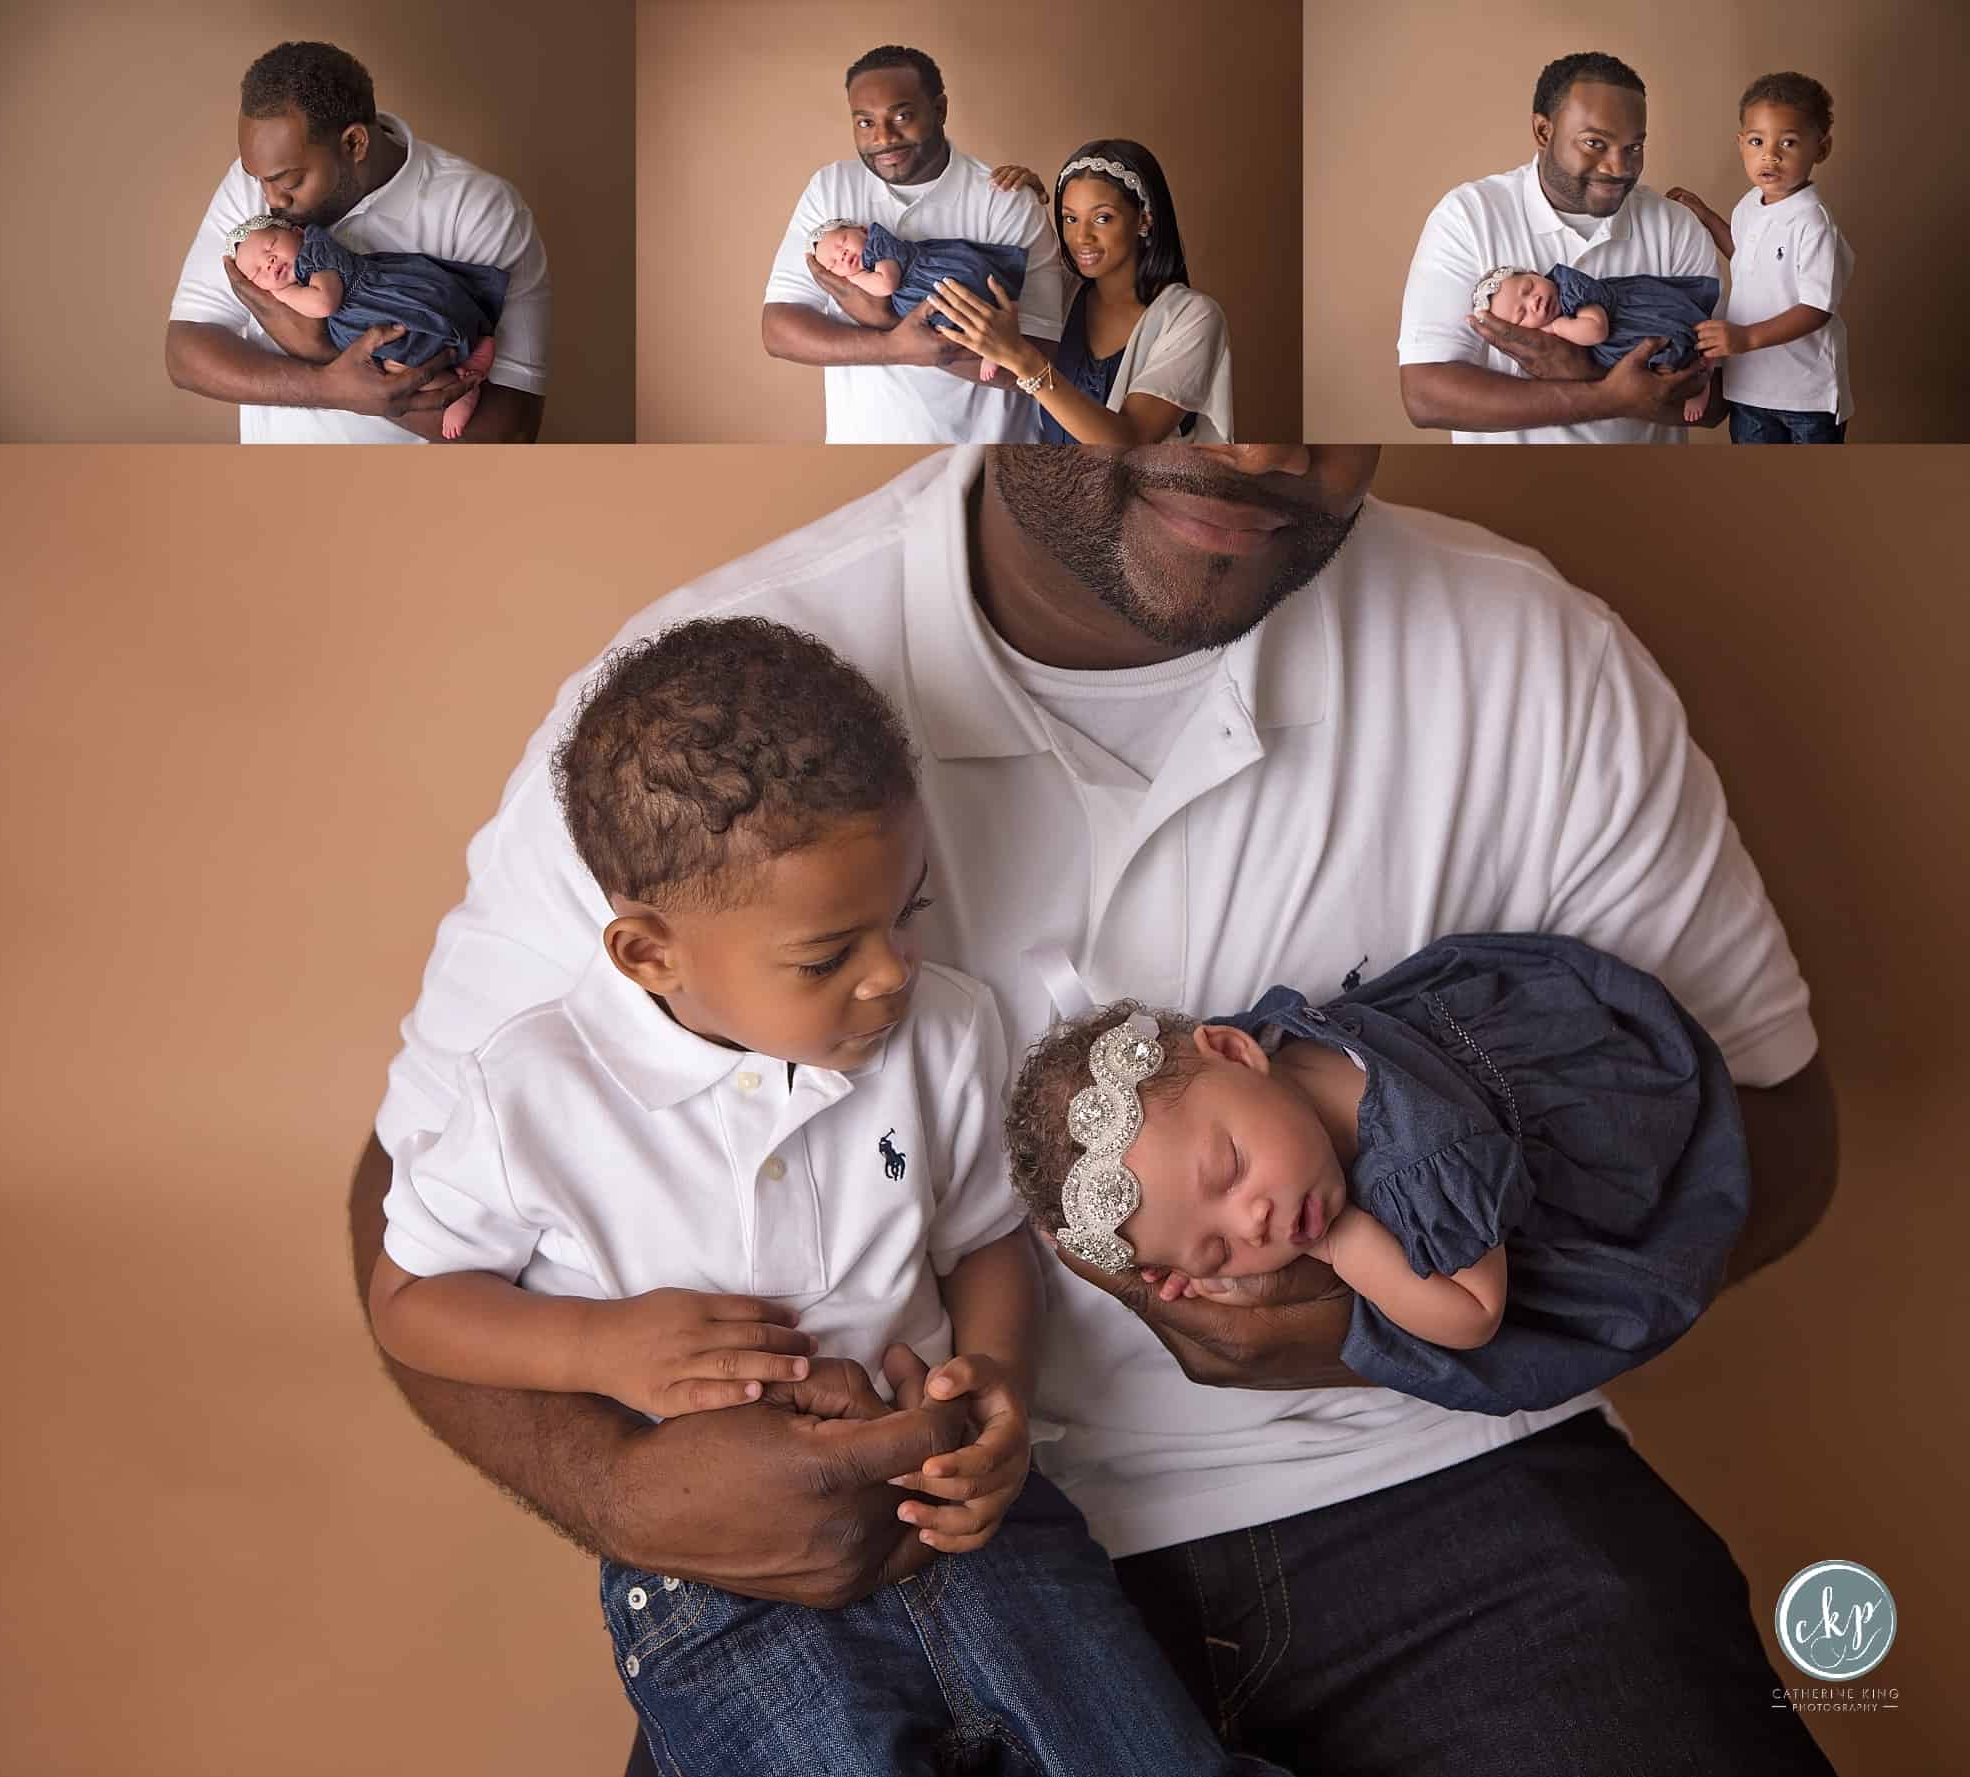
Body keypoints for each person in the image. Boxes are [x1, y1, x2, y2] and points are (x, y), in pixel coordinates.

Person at [351, 444, 1838, 1775]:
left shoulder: (1519, 654)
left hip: (1441, 1483)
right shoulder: (685, 731)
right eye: (1176, 382)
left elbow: (1781, 1138)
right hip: (872, 1546)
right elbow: (414, 1214)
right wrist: (618, 1486)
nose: (1253, 443)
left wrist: (1408, 1309)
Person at [369, 616, 1284, 1776]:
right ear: (649, 955)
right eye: (825, 956)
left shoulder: (942, 1029)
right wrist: (599, 1346)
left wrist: (995, 1382)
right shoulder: (531, 1097)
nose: (890, 974)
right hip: (721, 1582)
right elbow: (410, 1300)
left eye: (907, 914)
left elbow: (986, 1240)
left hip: (964, 1520)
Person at [1002, 932, 1750, 1417]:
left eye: (1228, 1171)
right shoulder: (1258, 1064)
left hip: (1593, 1123)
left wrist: (1347, 1244)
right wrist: (1193, 1258)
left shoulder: (1425, 1164)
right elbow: (1181, 1139)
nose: (1251, 1220)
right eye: (1220, 1250)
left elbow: (1471, 1313)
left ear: (1235, 1049)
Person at [166, 40, 548, 444]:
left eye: (290, 182)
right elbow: (185, 354)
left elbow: (509, 434)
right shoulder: (263, 179)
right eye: (256, 178)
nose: (270, 200)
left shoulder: (478, 209)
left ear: (354, 144)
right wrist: (327, 385)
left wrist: (322, 352)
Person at [1398, 51, 1721, 444]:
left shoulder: (1676, 227)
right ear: (1543, 131)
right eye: (1595, 143)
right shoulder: (1469, 217)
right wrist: (1604, 396)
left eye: (1634, 148)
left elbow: (1721, 404)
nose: (1619, 167)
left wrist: (1582, 369)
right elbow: (1426, 396)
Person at [760, 45, 1063, 442]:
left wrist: (887, 321)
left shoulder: (1005, 198)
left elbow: (1037, 366)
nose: (883, 138)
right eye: (865, 122)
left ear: (939, 110)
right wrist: (893, 346)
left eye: (901, 116)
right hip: (862, 456)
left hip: (988, 459)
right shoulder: (832, 188)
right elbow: (778, 330)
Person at [925, 139, 1235, 443]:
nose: (1082, 237)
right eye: (1070, 218)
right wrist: (1018, 202)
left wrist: (1025, 361)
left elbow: (1132, 440)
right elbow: (980, 260)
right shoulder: (1061, 293)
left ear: (1144, 220)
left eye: (1102, 218)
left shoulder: (1193, 318)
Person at [1667, 72, 1854, 444]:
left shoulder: (1812, 222)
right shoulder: (1749, 205)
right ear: (1741, 144)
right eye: (1757, 141)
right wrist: (1705, 216)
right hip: (1750, 389)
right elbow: (1745, 258)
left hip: (1806, 395)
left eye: (1789, 142)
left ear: (1821, 148)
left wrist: (1747, 337)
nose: (1770, 155)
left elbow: (1817, 308)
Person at [225, 216, 507, 439]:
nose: (268, 261)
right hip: (368, 319)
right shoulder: (301, 275)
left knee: (403, 359)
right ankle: (468, 359)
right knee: (400, 362)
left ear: (298, 232)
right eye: (256, 272)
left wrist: (282, 294)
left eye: (270, 245)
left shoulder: (316, 252)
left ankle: (461, 386)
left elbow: (324, 304)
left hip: (381, 301)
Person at [1470, 264, 1720, 422]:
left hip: (1638, 320)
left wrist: (1557, 327)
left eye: (1529, 288)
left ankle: (1703, 376)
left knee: (1676, 350)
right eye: (1522, 314)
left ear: (1536, 274)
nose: (1533, 302)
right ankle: (1697, 377)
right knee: (1661, 374)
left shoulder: (1571, 289)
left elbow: (1596, 331)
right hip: (1623, 347)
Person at [806, 218, 1029, 380]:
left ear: (862, 230)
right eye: (833, 264)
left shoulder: (878, 245)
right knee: (952, 324)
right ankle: (990, 345)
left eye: (842, 242)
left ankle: (998, 333)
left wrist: (856, 277)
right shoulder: (870, 265)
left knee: (971, 294)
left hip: (934, 273)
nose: (842, 255)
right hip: (923, 292)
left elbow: (886, 284)